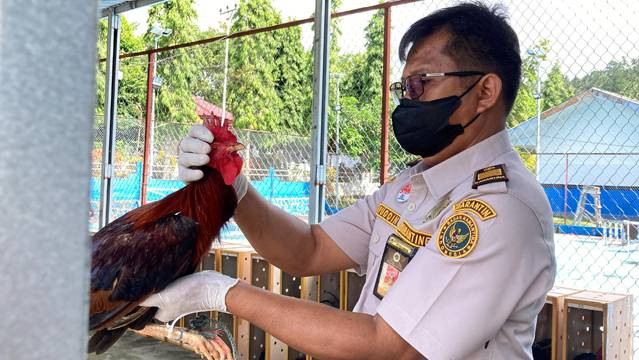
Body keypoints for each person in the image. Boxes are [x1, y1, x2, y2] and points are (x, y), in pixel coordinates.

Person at [142, 3, 556, 359]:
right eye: (403, 87)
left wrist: (222, 293)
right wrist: (234, 186)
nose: (407, 100)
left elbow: (390, 345)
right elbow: (310, 249)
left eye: (421, 83)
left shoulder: (500, 208)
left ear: (484, 92)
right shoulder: (414, 184)